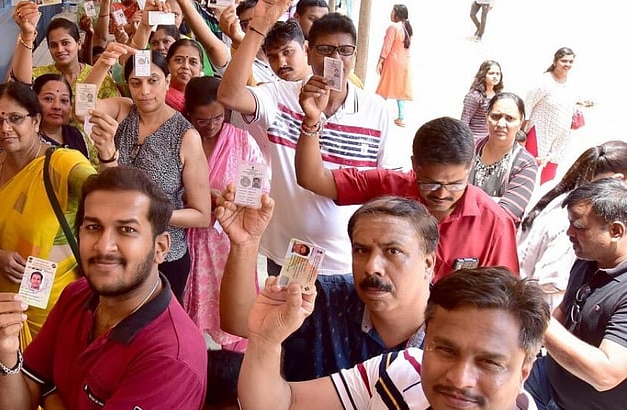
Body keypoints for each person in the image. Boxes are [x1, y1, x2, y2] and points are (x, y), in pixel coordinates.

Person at [0, 167, 207, 409]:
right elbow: (20, 400)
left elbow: (38, 391)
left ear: (160, 248)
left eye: (127, 230)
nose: (104, 246)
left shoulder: (170, 358)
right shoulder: (77, 294)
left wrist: (51, 396)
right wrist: (6, 350)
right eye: (93, 227)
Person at [218, 0, 394, 277]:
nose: (335, 58)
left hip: (352, 260)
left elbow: (385, 186)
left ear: (355, 55)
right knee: (287, 323)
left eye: (344, 50)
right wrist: (258, 28)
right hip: (290, 254)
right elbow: (229, 95)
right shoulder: (280, 96)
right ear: (310, 51)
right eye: (325, 49)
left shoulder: (377, 110)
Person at [237, 266, 549, 410]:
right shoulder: (402, 372)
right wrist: (266, 341)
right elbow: (283, 403)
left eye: (489, 363)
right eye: (444, 349)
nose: (460, 378)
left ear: (524, 371)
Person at [219, 194, 437, 381]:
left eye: (393, 251)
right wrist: (245, 244)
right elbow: (240, 323)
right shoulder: (326, 298)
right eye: (361, 250)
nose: (372, 267)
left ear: (428, 264)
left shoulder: (454, 328)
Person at [296, 116, 519, 281]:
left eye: (454, 184)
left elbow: (504, 294)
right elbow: (313, 179)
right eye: (430, 183)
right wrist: (312, 123)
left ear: (469, 168)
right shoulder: (390, 187)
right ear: (415, 165)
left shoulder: (495, 222)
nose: (442, 194)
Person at [0, 82, 96, 345]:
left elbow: (99, 190)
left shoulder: (62, 163)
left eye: (16, 118)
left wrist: (108, 157)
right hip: (4, 302)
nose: (5, 128)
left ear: (36, 121)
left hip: (54, 300)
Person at [88, 50, 211, 301]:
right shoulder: (123, 111)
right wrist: (103, 63)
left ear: (167, 81)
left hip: (164, 255)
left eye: (153, 81)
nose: (144, 91)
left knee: (156, 331)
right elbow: (83, 107)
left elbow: (201, 215)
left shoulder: (185, 137)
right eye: (136, 82)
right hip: (118, 250)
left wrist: (148, 215)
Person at [526, 178, 627, 409]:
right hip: (544, 381)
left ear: (615, 231)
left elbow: (606, 374)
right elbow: (565, 310)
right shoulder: (588, 259)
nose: (569, 233)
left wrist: (536, 317)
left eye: (579, 227)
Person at [182, 77, 266, 351]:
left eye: (218, 117)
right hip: (189, 236)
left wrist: (227, 199)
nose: (211, 126)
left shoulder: (242, 142)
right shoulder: (182, 140)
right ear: (189, 116)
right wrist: (194, 197)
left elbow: (257, 192)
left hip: (227, 241)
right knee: (188, 306)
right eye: (202, 121)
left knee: (232, 303)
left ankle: (235, 361)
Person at [519, 141, 627, 308]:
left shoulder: (555, 190)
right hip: (538, 306)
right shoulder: (583, 218)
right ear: (619, 180)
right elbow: (552, 281)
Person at [469, 92, 538, 223]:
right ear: (486, 117)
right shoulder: (469, 148)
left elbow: (506, 213)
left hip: (493, 238)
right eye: (495, 116)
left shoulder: (525, 164)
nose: (501, 124)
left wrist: (463, 199)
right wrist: (493, 201)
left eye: (510, 118)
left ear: (520, 123)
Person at [524, 47, 584, 185]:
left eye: (570, 61)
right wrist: (521, 132)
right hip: (540, 131)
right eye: (564, 61)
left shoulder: (572, 84)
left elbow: (572, 103)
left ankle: (541, 202)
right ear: (555, 61)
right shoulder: (544, 81)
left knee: (550, 171)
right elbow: (528, 106)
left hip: (562, 134)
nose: (567, 64)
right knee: (530, 168)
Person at [32, 74, 91, 158]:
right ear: (34, 101)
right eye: (48, 98)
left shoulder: (75, 134)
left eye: (64, 100)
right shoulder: (29, 140)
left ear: (71, 105)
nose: (57, 106)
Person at [375, 4, 414, 127]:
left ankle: (376, 113)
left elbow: (387, 46)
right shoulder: (408, 28)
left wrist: (380, 61)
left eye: (393, 11)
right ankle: (401, 117)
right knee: (400, 90)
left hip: (392, 62)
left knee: (384, 88)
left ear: (397, 14)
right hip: (404, 62)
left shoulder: (393, 27)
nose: (391, 13)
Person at [460, 59, 503, 141]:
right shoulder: (474, 96)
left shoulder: (498, 96)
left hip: (492, 140)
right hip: (475, 140)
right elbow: (464, 122)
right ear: (483, 75)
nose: (495, 76)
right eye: (491, 73)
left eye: (498, 74)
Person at [165, 38, 205, 112]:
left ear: (201, 68)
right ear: (168, 64)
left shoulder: (207, 98)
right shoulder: (158, 98)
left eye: (193, 62)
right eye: (179, 60)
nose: (186, 66)